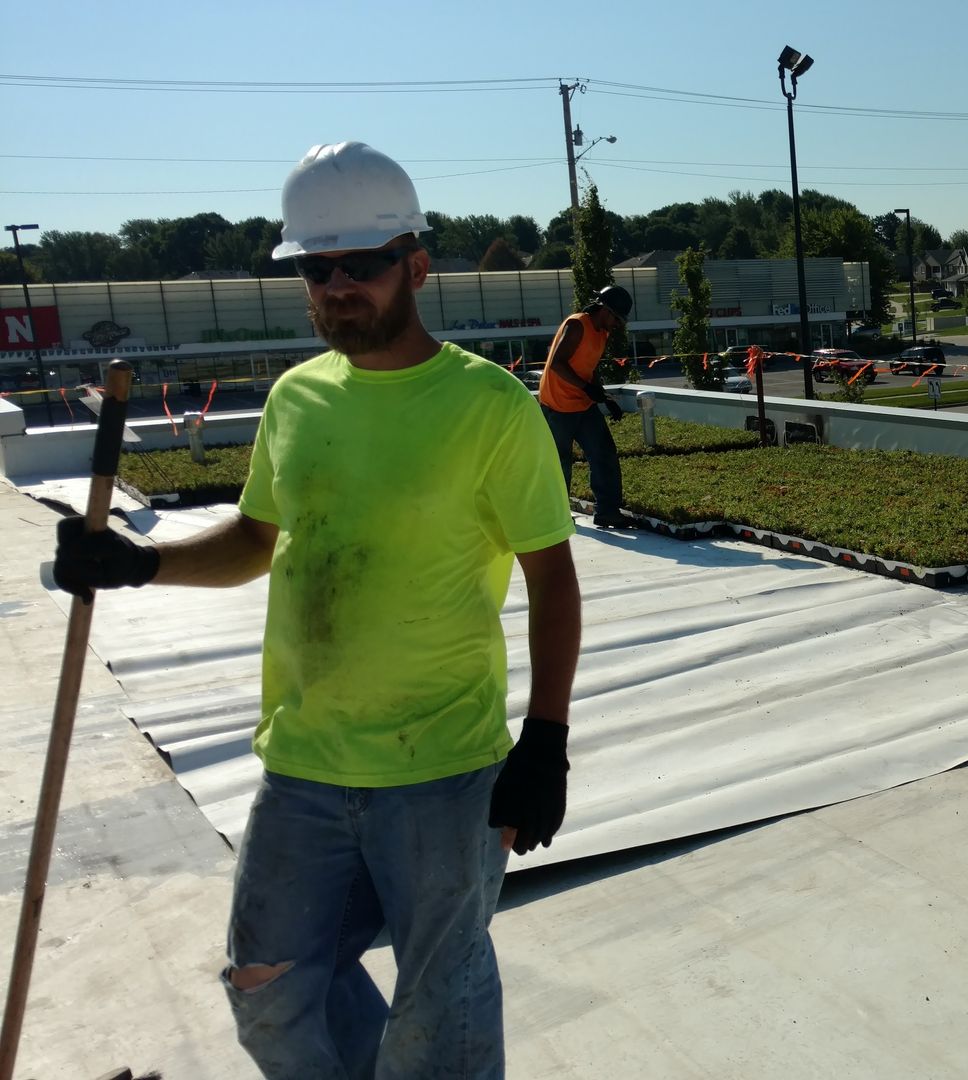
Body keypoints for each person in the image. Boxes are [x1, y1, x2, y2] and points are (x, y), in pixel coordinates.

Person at [52, 141, 580, 1078]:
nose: (337, 287)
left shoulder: (491, 408)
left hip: (443, 769)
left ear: (414, 265)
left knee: (437, 1004)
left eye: (361, 265)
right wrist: (138, 565)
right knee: (268, 988)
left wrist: (545, 740)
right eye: (314, 268)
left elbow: (552, 577)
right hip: (303, 762)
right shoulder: (295, 400)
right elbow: (257, 543)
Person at [538, 285, 631, 527]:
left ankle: (607, 511)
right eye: (617, 319)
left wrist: (603, 397)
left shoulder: (602, 333)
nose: (618, 325)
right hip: (557, 405)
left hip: (583, 402)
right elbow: (557, 363)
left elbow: (588, 367)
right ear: (605, 310)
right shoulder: (577, 324)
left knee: (604, 454)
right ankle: (555, 514)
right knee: (559, 462)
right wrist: (586, 388)